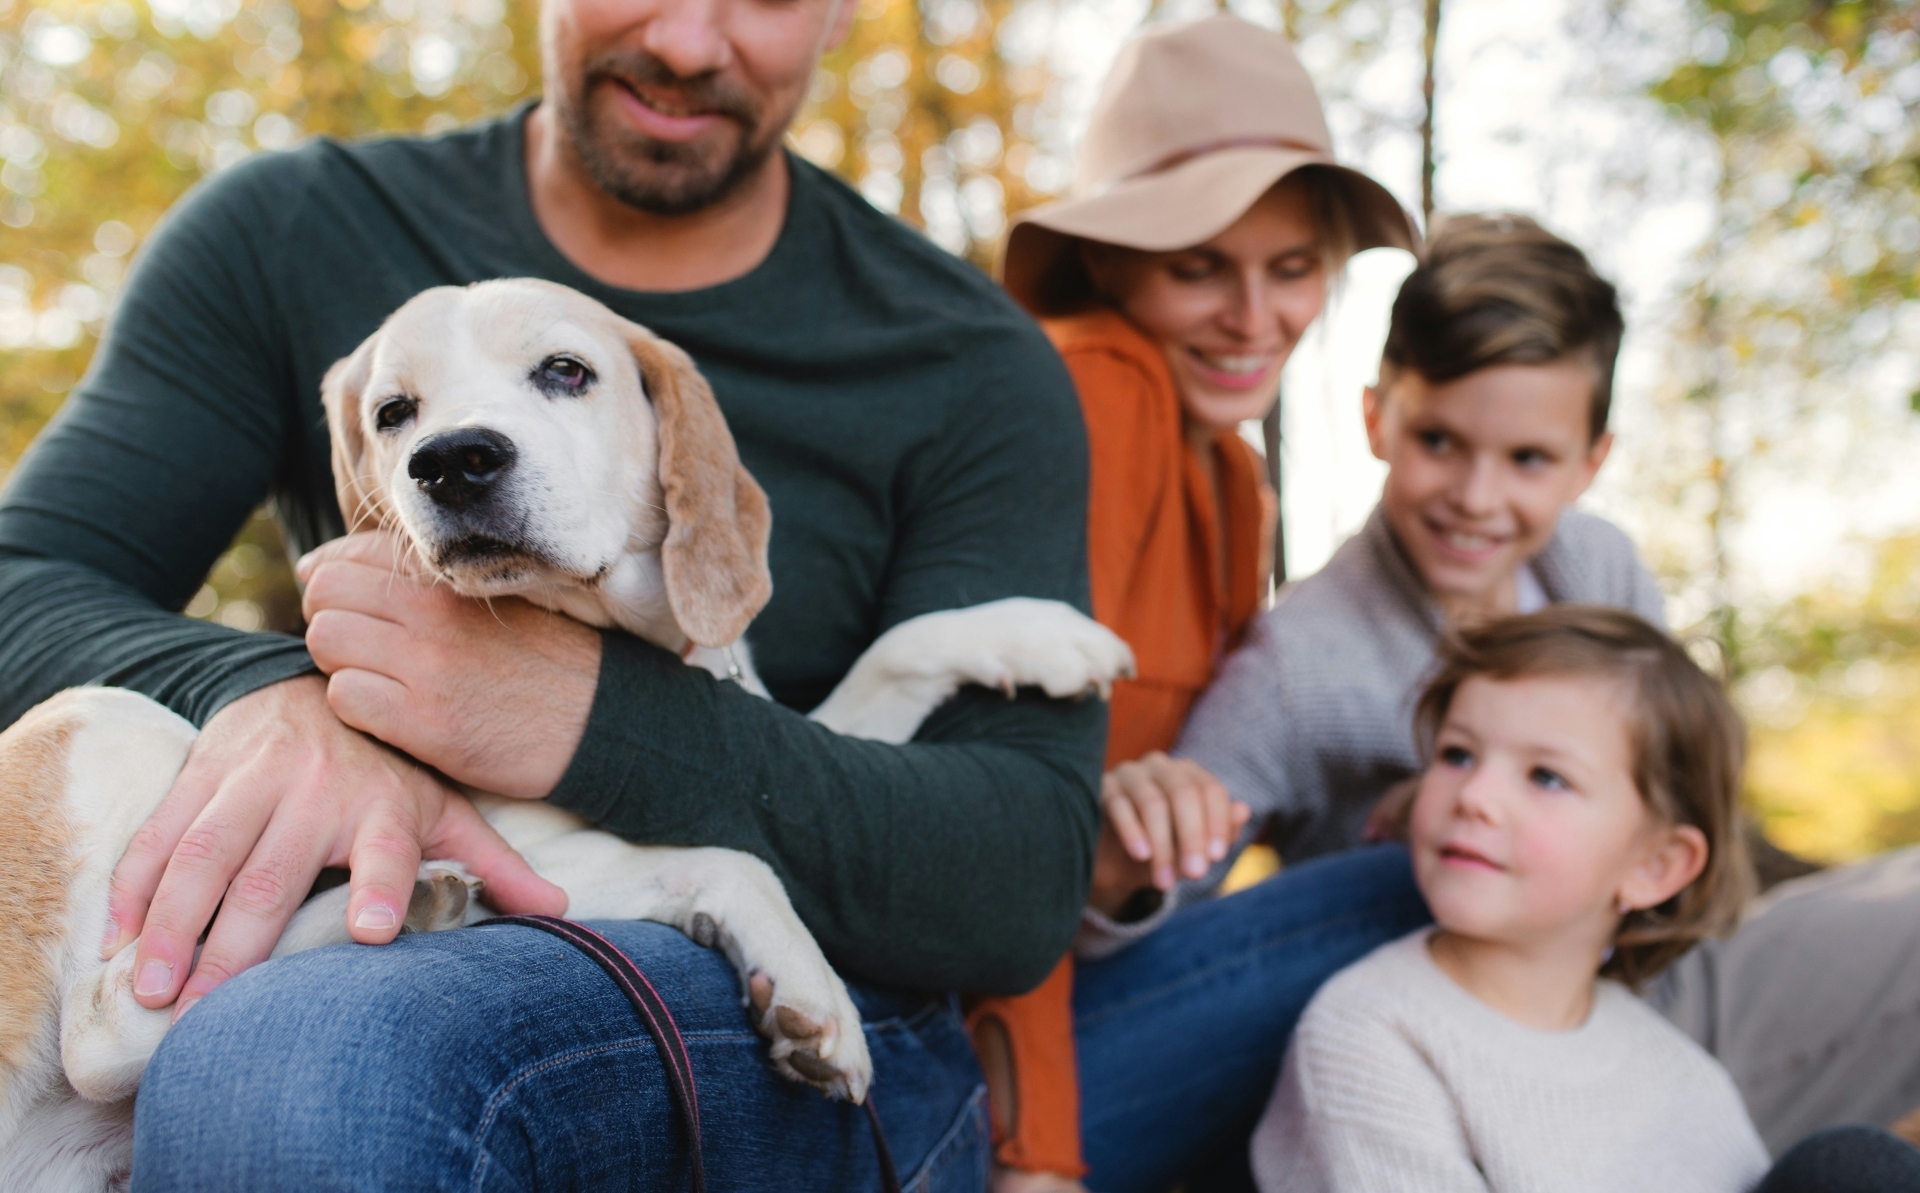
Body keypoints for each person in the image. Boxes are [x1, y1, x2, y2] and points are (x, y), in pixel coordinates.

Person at [0, 1, 1428, 1187]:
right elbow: (23, 580)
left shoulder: (978, 360)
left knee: (311, 1061)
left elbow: (1011, 885)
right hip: (363, 931)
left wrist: (576, 718)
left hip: (836, 1003)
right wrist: (293, 701)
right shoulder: (287, 232)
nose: (688, 38)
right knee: (306, 1049)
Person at [1147, 214, 1920, 1151]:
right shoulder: (1300, 664)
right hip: (1490, 1046)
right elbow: (1164, 933)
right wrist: (1145, 841)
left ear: (1591, 461)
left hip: (1650, 982)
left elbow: (1678, 819)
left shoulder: (1600, 571)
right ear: (1375, 417)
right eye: (1439, 440)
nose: (1475, 496)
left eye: (1527, 459)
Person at [977, 16, 1421, 1190]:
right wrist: (1039, 1160)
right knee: (1432, 876)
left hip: (1109, 974)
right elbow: (991, 821)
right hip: (976, 1045)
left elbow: (1193, 801)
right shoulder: (1097, 388)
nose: (1254, 317)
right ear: (1112, 262)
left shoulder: (1231, 479)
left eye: (1292, 269)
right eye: (1198, 266)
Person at [1253, 606, 1920, 1193]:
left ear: (1655, 866)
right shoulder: (1370, 1034)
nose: (1475, 795)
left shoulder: (1680, 1074)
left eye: (1545, 775)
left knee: (1855, 1168)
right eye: (1458, 754)